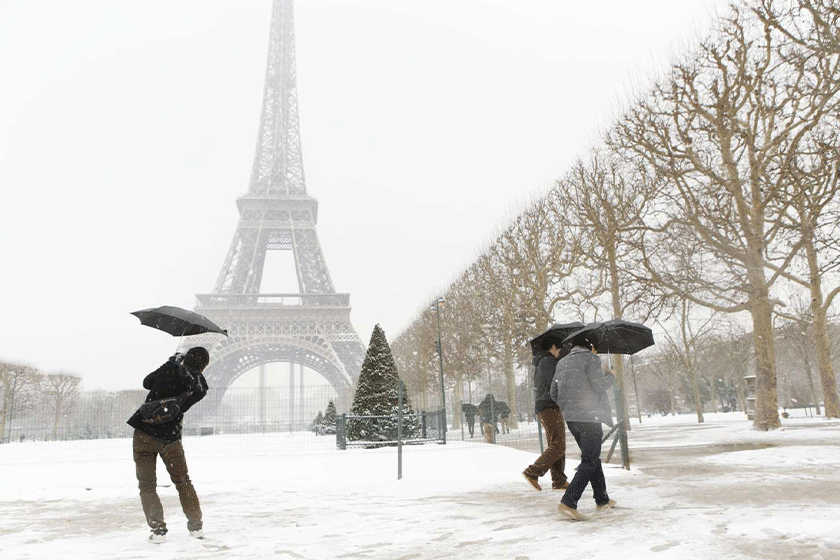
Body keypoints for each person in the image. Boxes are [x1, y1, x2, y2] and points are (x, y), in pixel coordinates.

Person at [127, 347, 210, 543]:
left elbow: (147, 382)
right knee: (183, 482)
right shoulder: (200, 387)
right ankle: (196, 526)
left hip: (145, 433)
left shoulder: (171, 369)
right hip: (170, 438)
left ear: (186, 357)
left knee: (147, 486)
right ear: (204, 365)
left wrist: (171, 362)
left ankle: (158, 531)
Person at [550, 335, 616, 521]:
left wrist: (568, 405)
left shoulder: (562, 362)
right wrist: (610, 375)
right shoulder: (591, 359)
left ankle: (602, 499)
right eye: (595, 348)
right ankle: (568, 502)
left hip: (571, 419)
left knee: (591, 457)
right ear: (591, 346)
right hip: (589, 417)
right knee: (590, 459)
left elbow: (553, 392)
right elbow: (599, 385)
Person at [522, 342, 568, 492]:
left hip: (546, 405)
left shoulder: (543, 361)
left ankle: (559, 480)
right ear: (553, 347)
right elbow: (556, 383)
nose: (559, 353)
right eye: (558, 350)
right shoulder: (548, 361)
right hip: (549, 406)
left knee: (556, 443)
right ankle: (532, 472)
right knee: (558, 445)